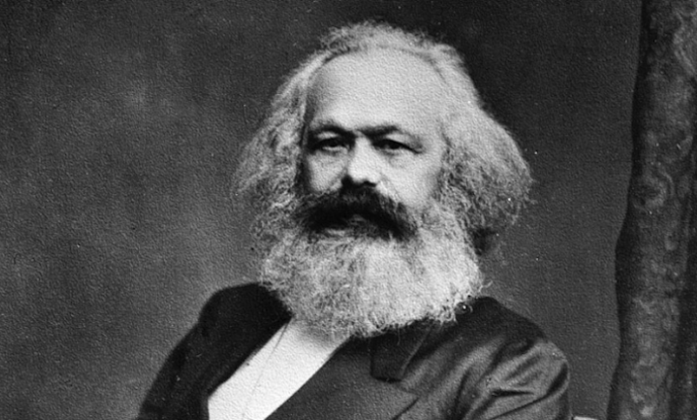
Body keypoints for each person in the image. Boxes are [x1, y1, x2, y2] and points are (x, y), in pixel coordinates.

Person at [137, 22, 572, 420]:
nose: (357, 171)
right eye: (330, 143)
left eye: (392, 145)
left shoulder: (507, 364)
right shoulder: (229, 316)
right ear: (294, 164)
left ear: (455, 172)